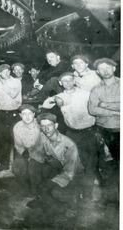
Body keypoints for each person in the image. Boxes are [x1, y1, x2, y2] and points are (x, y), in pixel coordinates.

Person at [44, 72, 97, 200]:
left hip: (88, 132)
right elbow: (46, 104)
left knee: (90, 163)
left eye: (70, 80)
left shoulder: (85, 94)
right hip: (72, 133)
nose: (67, 83)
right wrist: (55, 99)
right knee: (73, 163)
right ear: (60, 83)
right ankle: (76, 191)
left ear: (74, 81)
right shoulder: (60, 95)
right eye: (64, 81)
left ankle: (88, 193)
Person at [26, 113, 83, 209]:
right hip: (55, 167)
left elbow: (69, 173)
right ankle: (40, 196)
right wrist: (46, 159)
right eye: (43, 126)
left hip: (72, 174)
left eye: (49, 125)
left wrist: (51, 183)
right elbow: (34, 153)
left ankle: (74, 195)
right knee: (33, 163)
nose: (46, 129)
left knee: (56, 195)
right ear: (40, 127)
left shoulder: (69, 145)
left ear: (56, 126)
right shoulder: (43, 136)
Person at [88, 58, 120, 202]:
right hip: (103, 131)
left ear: (114, 68)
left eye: (108, 67)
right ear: (98, 72)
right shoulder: (96, 89)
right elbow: (92, 109)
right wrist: (115, 111)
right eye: (101, 69)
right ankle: (112, 199)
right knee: (108, 166)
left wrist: (105, 104)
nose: (105, 71)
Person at [12, 104, 46, 195]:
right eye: (24, 114)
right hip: (25, 151)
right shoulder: (17, 127)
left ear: (34, 114)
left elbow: (45, 142)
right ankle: (25, 186)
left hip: (40, 150)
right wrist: (25, 154)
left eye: (30, 113)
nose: (27, 116)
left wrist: (34, 155)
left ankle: (36, 188)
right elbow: (18, 145)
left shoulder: (40, 124)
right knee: (17, 168)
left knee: (34, 166)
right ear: (20, 115)